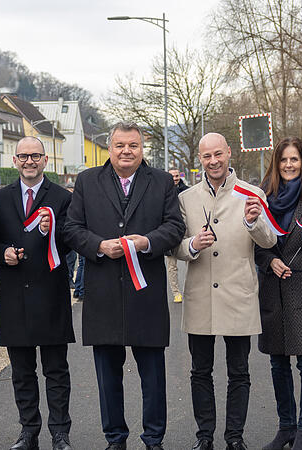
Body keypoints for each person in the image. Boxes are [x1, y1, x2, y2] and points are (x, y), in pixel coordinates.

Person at [63, 121, 185, 450]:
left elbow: (175, 226)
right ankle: (115, 438)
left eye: (133, 145)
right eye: (120, 145)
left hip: (146, 295)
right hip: (103, 295)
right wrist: (99, 246)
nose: (126, 151)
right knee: (107, 377)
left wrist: (146, 241)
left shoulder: (160, 182)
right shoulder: (88, 181)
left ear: (142, 148)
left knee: (153, 376)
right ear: (110, 148)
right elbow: (71, 229)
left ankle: (153, 439)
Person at [175, 132, 276, 450]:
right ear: (200, 160)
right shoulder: (186, 198)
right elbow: (173, 245)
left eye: (218, 154)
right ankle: (204, 436)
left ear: (229, 153)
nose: (213, 161)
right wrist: (192, 244)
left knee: (239, 371)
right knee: (199, 371)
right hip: (201, 295)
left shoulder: (252, 193)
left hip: (238, 294)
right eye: (207, 156)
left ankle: (234, 437)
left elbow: (270, 240)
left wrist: (252, 223)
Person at [0, 137, 75, 450]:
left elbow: (73, 240)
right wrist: (2, 253)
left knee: (56, 371)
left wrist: (53, 233)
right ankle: (28, 432)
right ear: (14, 160)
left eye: (35, 155)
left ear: (45, 160)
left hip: (51, 294)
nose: (29, 161)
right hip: (14, 296)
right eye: (23, 156)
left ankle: (60, 433)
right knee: (22, 372)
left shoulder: (62, 198)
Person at [254, 137, 302, 450]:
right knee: (277, 363)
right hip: (272, 288)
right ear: (277, 163)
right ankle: (285, 427)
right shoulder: (264, 197)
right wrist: (270, 260)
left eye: (294, 160)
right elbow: (255, 243)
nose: (289, 165)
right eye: (284, 160)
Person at [166, 168, 189, 303]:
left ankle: (188, 290)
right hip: (171, 233)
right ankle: (176, 293)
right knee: (172, 266)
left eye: (176, 175)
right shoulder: (163, 192)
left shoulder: (186, 190)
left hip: (186, 231)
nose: (175, 178)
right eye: (172, 176)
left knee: (190, 263)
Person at [64, 181, 86, 300]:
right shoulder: (74, 200)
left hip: (75, 233)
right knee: (78, 262)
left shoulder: (75, 199)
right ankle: (80, 290)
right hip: (74, 233)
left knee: (80, 262)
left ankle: (78, 289)